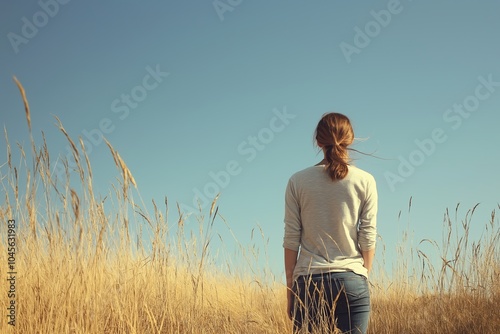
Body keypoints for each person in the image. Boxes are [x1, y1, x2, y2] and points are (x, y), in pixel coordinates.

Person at [283, 112, 378, 333]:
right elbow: (368, 236)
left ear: (318, 141)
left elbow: (291, 239)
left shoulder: (297, 181)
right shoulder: (366, 180)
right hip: (352, 279)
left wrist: (291, 292)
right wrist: (361, 274)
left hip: (308, 283)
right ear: (351, 139)